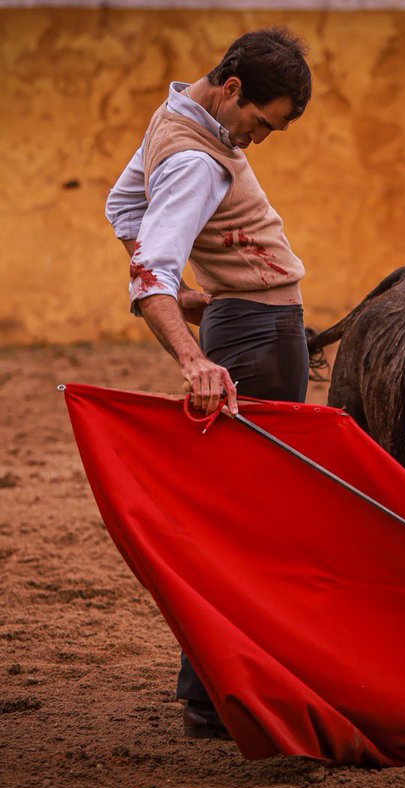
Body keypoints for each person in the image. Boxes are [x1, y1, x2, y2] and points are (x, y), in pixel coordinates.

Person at [104, 27, 313, 739]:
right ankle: (222, 694)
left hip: (239, 324)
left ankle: (207, 691)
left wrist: (200, 292)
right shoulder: (198, 161)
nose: (260, 138)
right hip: (256, 339)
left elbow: (122, 209)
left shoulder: (174, 116)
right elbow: (148, 273)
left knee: (235, 513)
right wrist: (192, 357)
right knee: (261, 521)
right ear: (231, 89)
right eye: (261, 120)